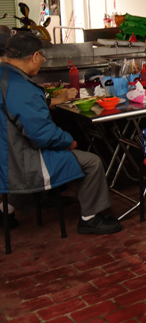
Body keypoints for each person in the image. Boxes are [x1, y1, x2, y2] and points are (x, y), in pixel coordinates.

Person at [0, 33, 122, 234]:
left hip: (8, 158)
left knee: (23, 165)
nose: (42, 62)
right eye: (42, 58)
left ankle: (5, 208)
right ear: (35, 56)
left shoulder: (5, 77)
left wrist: (51, 101)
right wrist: (67, 141)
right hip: (23, 162)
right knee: (92, 162)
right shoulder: (20, 86)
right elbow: (42, 133)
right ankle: (90, 218)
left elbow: (18, 109)